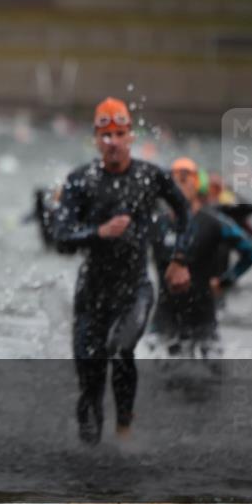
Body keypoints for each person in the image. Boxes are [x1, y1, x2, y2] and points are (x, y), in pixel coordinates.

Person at [52, 97, 192, 445]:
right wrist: (97, 233)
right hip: (92, 293)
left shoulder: (151, 176)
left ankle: (125, 430)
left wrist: (179, 260)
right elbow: (60, 236)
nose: (112, 141)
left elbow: (186, 212)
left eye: (119, 133)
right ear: (96, 139)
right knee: (90, 380)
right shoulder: (80, 180)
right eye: (105, 134)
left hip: (135, 290)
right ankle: (90, 460)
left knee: (120, 348)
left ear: (130, 135)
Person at [148, 158, 252, 357]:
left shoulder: (215, 223)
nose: (179, 185)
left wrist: (225, 281)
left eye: (185, 178)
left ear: (197, 183)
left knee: (208, 380)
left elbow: (250, 252)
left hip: (202, 318)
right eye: (173, 180)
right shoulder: (156, 224)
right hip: (164, 319)